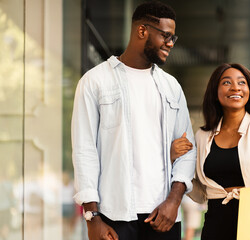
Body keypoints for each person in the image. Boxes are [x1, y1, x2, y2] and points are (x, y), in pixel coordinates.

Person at [71, 1, 196, 240]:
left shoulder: (171, 87)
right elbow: (84, 151)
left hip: (164, 216)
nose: (170, 44)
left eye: (173, 38)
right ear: (142, 31)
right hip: (113, 215)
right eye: (166, 36)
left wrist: (174, 201)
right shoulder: (95, 81)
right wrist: (92, 217)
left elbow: (188, 151)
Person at [183, 63, 250, 239]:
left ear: (249, 90)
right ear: (215, 92)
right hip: (215, 226)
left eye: (242, 82)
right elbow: (200, 194)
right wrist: (177, 160)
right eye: (226, 82)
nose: (235, 87)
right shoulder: (203, 136)